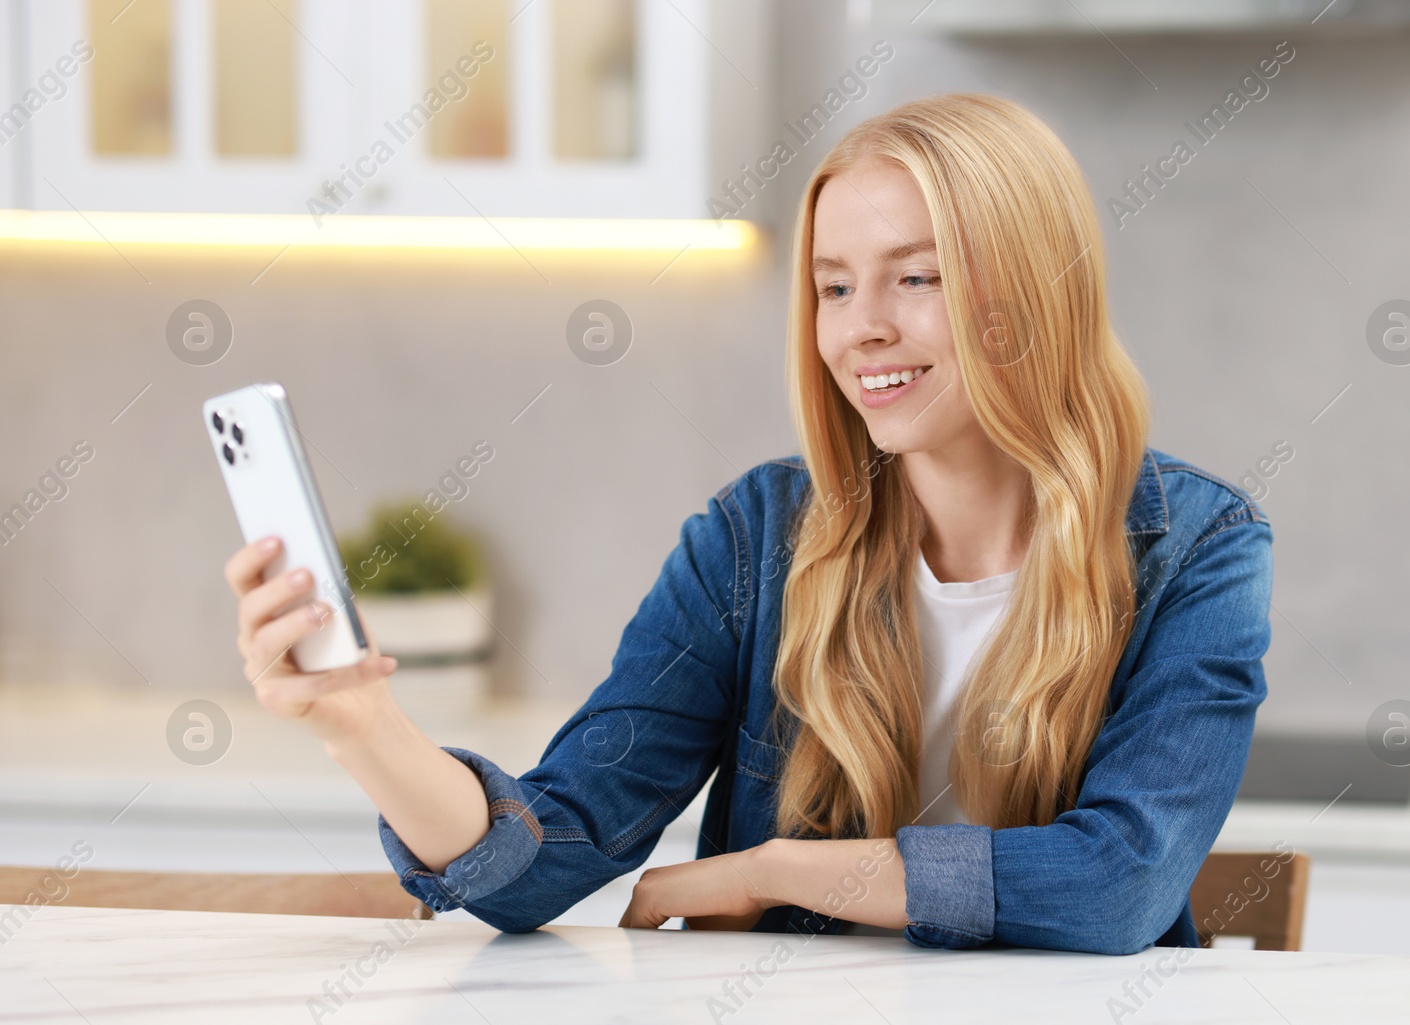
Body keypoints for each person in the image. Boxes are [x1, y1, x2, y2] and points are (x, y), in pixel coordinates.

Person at [223, 94, 1272, 953]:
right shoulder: (754, 539)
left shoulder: (1197, 548)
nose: (862, 327)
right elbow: (540, 862)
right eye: (832, 286)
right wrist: (361, 727)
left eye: (917, 277)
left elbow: (1119, 886)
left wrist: (776, 868)